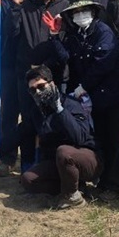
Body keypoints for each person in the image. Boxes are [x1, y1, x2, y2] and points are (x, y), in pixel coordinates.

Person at [44, 0, 119, 201]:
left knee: (115, 141)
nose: (80, 15)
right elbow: (66, 57)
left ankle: (115, 184)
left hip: (111, 97)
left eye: (84, 11)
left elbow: (103, 64)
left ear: (93, 11)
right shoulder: (75, 35)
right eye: (76, 12)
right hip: (92, 100)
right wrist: (55, 37)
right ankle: (101, 180)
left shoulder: (104, 32)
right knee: (97, 139)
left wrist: (83, 86)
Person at [4, 0, 69, 172]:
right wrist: (15, 8)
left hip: (53, 75)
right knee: (28, 120)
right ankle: (27, 167)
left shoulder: (64, 7)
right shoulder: (25, 5)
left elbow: (65, 43)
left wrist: (46, 68)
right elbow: (11, 34)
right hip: (25, 74)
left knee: (53, 119)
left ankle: (49, 166)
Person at [20, 66, 100, 209]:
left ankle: (73, 197)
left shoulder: (71, 103)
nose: (37, 92)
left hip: (87, 159)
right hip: (59, 164)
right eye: (32, 90)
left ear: (52, 84)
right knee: (28, 179)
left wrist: (59, 110)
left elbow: (79, 137)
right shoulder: (36, 112)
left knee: (64, 152)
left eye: (41, 86)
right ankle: (73, 187)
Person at [0, 0, 31, 175]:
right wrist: (14, 5)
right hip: (9, 66)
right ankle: (7, 158)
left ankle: (28, 160)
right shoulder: (3, 5)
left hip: (31, 68)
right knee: (9, 114)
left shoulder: (36, 3)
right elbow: (9, 30)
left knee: (30, 116)